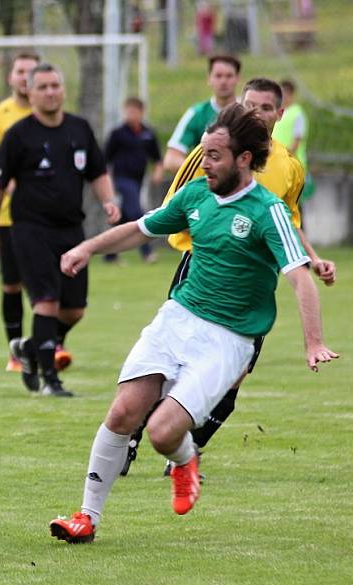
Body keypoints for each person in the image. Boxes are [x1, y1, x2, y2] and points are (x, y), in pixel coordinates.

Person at [49, 104, 338, 544]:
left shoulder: (268, 210)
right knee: (125, 410)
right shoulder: (195, 194)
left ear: (244, 159)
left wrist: (313, 342)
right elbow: (140, 229)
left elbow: (301, 280)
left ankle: (185, 461)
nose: (205, 164)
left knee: (164, 433)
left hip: (229, 338)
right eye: (204, 154)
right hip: (179, 317)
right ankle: (86, 516)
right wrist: (87, 248)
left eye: (216, 156)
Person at [120, 78, 337, 477]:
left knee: (234, 378)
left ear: (279, 114)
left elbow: (286, 222)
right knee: (174, 366)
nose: (256, 114)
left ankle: (183, 455)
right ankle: (130, 438)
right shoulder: (212, 154)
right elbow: (174, 208)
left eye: (265, 108)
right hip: (201, 268)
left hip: (255, 283)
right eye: (249, 105)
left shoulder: (290, 166)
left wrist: (314, 258)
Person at [0, 63, 121, 397]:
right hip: (30, 229)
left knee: (74, 310)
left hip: (71, 229)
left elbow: (98, 172)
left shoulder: (79, 129)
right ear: (30, 92)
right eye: (42, 87)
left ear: (64, 88)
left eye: (55, 85)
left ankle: (31, 347)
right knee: (46, 301)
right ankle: (50, 380)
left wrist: (108, 201)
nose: (50, 92)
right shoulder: (18, 135)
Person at [0, 51, 41, 372]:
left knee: (46, 284)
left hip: (46, 217)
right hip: (8, 215)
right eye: (20, 71)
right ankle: (15, 351)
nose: (25, 77)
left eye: (31, 72)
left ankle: (45, 345)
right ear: (11, 77)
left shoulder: (50, 115)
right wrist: (18, 186)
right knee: (12, 284)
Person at [103, 97, 163, 264]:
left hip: (138, 182)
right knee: (137, 213)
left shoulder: (148, 133)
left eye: (134, 112)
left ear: (141, 112)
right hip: (121, 180)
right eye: (128, 111)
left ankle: (110, 255)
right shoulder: (117, 134)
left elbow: (157, 158)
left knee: (121, 217)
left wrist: (158, 172)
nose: (130, 115)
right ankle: (147, 253)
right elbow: (105, 159)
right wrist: (107, 183)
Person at [163, 55, 241, 173]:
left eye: (229, 76)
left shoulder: (248, 111)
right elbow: (171, 159)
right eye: (218, 76)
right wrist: (206, 171)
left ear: (238, 79)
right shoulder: (196, 114)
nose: (223, 81)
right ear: (209, 79)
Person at [273, 79, 313, 201]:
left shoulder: (297, 114)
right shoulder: (276, 112)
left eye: (285, 94)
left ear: (291, 95)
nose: (283, 98)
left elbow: (297, 140)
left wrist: (284, 156)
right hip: (277, 164)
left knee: (294, 203)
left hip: (293, 164)